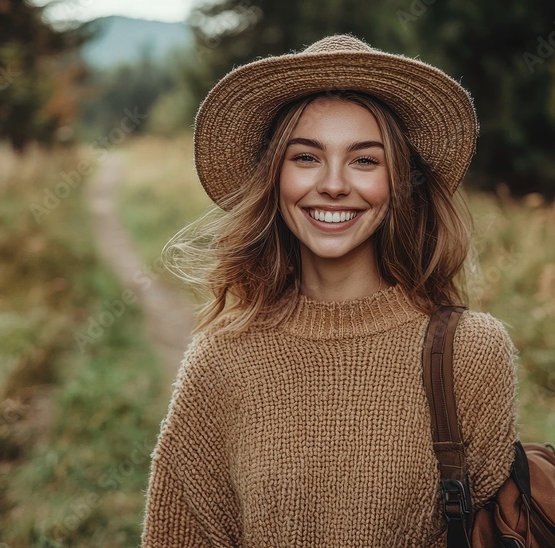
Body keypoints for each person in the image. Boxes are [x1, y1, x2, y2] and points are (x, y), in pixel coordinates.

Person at [142, 34, 519, 547]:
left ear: (400, 181)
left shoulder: (470, 353)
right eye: (306, 158)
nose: (335, 184)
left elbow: (497, 531)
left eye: (365, 160)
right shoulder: (221, 360)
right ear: (274, 177)